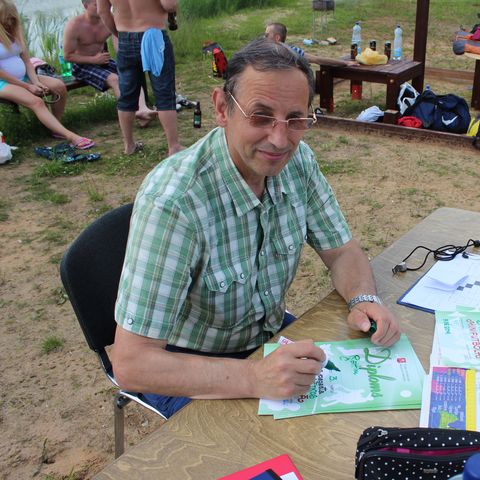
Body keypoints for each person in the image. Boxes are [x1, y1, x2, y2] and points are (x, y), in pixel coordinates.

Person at [111, 37, 401, 418]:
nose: (280, 140)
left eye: (295, 120)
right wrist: (254, 377)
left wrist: (363, 297)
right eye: (260, 116)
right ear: (222, 108)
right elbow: (132, 363)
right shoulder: (175, 203)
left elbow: (342, 251)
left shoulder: (298, 162)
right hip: (184, 364)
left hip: (264, 339)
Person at [0, 0, 94, 149]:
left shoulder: (15, 32)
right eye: (6, 18)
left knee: (59, 86)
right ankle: (71, 137)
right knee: (37, 102)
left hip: (24, 77)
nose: (10, 21)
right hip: (4, 82)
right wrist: (27, 86)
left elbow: (27, 61)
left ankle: (55, 128)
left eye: (13, 18)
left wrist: (35, 82)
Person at [96, 0, 182, 155]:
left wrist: (118, 34)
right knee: (164, 93)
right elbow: (170, 5)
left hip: (125, 36)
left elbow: (102, 11)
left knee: (127, 95)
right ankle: (174, 146)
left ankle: (129, 145)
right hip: (153, 35)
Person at [63, 0, 157, 128]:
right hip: (81, 65)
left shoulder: (108, 19)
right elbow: (67, 56)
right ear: (85, 6)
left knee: (131, 73)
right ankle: (134, 112)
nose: (102, 7)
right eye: (96, 5)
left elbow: (119, 42)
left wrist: (126, 61)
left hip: (102, 60)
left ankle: (143, 109)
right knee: (114, 79)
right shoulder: (74, 26)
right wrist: (93, 60)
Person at [264, 22, 353, 67]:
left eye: (267, 35)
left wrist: (345, 62)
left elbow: (317, 59)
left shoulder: (292, 51)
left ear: (277, 38)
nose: (264, 37)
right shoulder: (262, 51)